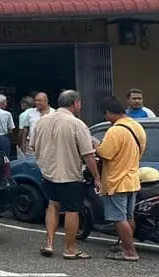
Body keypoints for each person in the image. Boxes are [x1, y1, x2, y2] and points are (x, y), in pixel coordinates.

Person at [30, 89, 100, 260]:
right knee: (72, 210)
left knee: (52, 205)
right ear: (75, 103)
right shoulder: (76, 124)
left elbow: (32, 145)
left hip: (48, 172)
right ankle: (70, 248)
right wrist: (97, 177)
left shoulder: (41, 121)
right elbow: (88, 154)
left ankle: (49, 243)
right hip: (69, 174)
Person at [97, 96, 146, 262]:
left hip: (116, 180)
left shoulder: (115, 130)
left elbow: (105, 153)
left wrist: (96, 145)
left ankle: (130, 252)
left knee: (119, 218)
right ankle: (126, 245)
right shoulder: (137, 126)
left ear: (110, 112)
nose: (105, 118)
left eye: (105, 114)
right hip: (132, 178)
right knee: (128, 216)